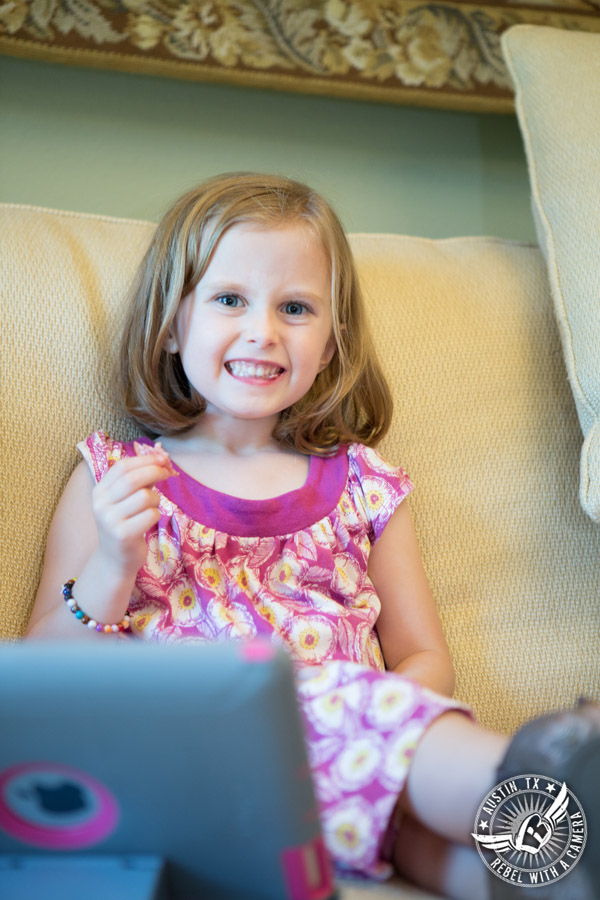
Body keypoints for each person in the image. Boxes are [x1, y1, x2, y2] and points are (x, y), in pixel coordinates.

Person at [25, 173, 599, 899]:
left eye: (295, 308)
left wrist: (380, 718)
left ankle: (557, 872)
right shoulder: (117, 481)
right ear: (173, 324)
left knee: (436, 851)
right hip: (195, 766)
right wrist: (112, 562)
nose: (263, 330)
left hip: (348, 772)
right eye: (230, 299)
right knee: (309, 713)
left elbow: (424, 655)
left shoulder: (365, 487)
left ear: (331, 343)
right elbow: (41, 677)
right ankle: (561, 789)